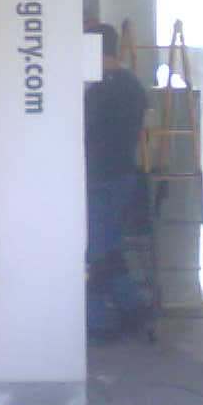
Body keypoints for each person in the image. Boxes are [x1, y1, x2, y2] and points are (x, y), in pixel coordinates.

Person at [84, 23, 151, 337]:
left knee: (95, 251)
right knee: (107, 248)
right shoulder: (131, 85)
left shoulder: (102, 90)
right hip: (121, 175)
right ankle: (133, 309)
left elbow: (87, 133)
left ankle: (100, 320)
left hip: (102, 179)